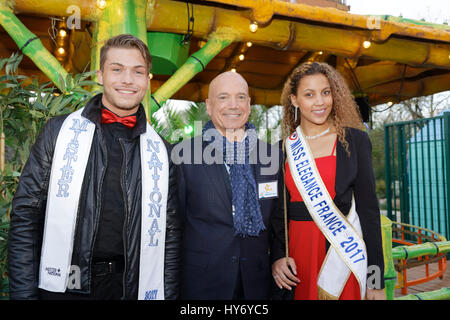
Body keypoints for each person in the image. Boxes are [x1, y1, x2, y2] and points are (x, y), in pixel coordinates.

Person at [7, 34, 181, 300]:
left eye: (137, 71)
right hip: (65, 287)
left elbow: (169, 235)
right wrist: (23, 295)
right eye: (117, 69)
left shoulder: (162, 151)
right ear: (100, 75)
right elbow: (26, 217)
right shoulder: (58, 132)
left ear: (148, 79)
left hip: (130, 287)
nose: (127, 79)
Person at [271, 62, 385, 300]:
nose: (320, 102)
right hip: (298, 261)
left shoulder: (355, 141)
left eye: (325, 92)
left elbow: (369, 213)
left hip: (344, 257)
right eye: (309, 95)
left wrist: (375, 281)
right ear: (294, 100)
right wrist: (278, 257)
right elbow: (276, 215)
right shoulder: (282, 150)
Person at [174, 71, 281, 300]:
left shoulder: (270, 155)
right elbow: (174, 226)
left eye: (241, 97)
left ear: (249, 104)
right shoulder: (184, 155)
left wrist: (280, 256)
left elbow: (279, 220)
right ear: (209, 106)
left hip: (257, 284)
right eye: (223, 97)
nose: (233, 105)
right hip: (203, 285)